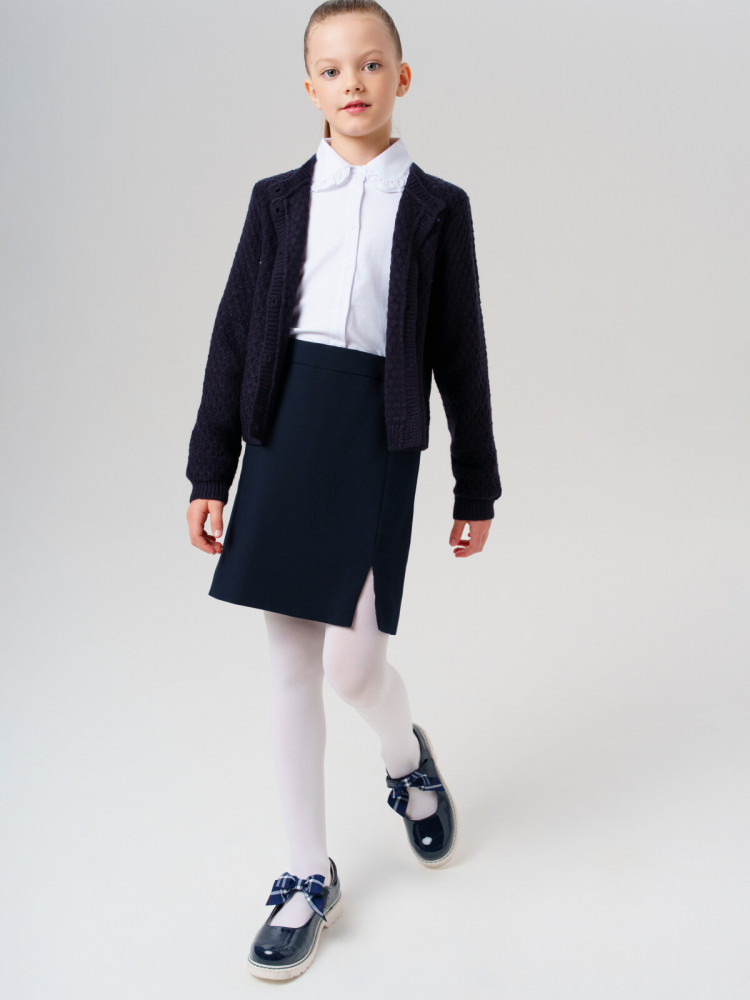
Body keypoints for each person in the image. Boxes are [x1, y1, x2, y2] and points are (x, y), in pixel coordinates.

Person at [185, 0, 501, 981]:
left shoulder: (438, 207)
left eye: (370, 64)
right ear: (309, 88)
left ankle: (405, 759)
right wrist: (210, 468)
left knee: (356, 668)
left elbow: (461, 350)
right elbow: (235, 331)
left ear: (401, 77)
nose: (352, 83)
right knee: (290, 662)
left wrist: (477, 483)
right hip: (284, 429)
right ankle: (304, 872)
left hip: (376, 433)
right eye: (331, 69)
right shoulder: (277, 200)